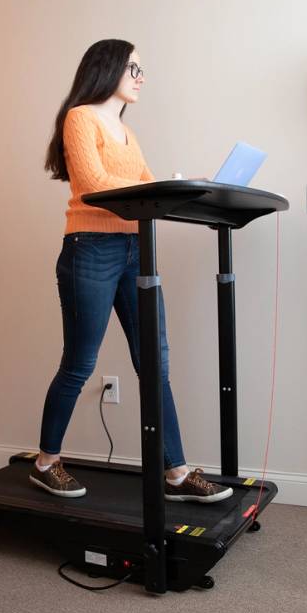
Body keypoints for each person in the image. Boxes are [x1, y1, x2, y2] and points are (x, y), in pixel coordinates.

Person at [33, 39, 232, 504]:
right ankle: (45, 462)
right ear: (108, 69)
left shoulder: (126, 131)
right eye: (134, 67)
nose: (142, 77)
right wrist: (164, 187)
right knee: (80, 363)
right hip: (91, 249)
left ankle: (176, 473)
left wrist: (190, 187)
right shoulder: (80, 118)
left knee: (154, 364)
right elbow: (93, 185)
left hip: (134, 249)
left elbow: (147, 189)